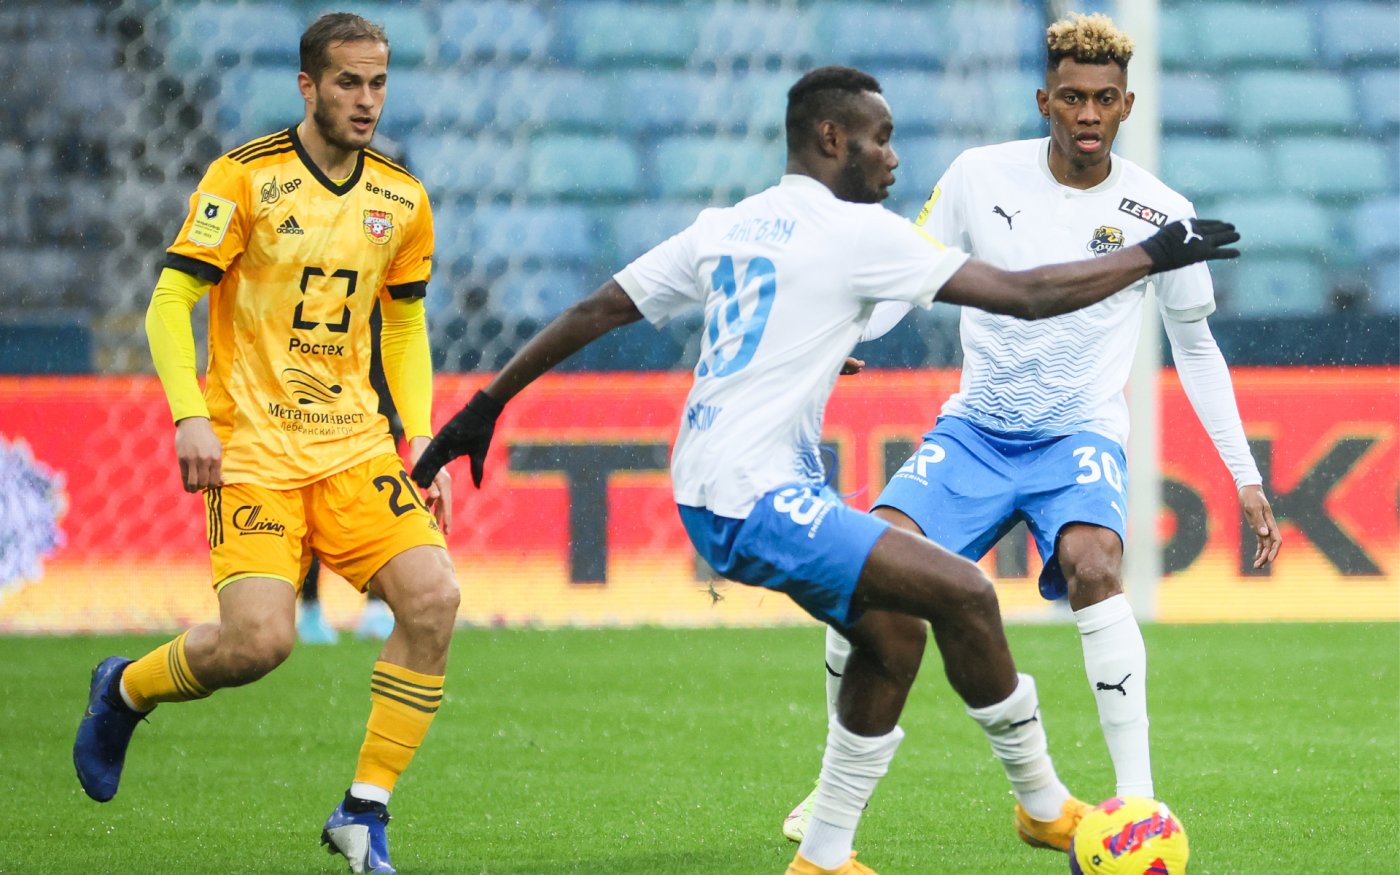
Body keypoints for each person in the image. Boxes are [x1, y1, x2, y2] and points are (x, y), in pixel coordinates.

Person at [410, 66, 1240, 875]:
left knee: (890, 632)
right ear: (833, 138)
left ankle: (824, 854)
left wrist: (485, 404)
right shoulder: (859, 235)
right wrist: (1150, 253)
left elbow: (598, 308)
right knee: (965, 592)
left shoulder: (729, 225)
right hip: (754, 496)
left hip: (710, 484)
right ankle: (1043, 801)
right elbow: (1024, 296)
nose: (894, 159)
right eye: (881, 139)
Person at [780, 13, 1283, 845]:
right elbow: (905, 282)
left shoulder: (1164, 214)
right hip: (975, 431)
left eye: (1105, 99)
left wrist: (1246, 473)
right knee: (867, 573)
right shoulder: (979, 176)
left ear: (1127, 106)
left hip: (1077, 435)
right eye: (1072, 97)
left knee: (1096, 565)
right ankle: (830, 788)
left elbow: (1194, 345)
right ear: (1045, 100)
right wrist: (837, 339)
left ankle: (1138, 801)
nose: (1088, 113)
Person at [72, 14, 458, 874]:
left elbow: (403, 326)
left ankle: (364, 809)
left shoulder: (402, 198)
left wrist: (420, 438)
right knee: (257, 643)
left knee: (434, 598)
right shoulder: (245, 178)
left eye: (379, 83)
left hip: (355, 447)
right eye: (349, 82)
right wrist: (189, 414)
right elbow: (169, 303)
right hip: (251, 449)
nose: (367, 100)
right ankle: (124, 689)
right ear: (308, 86)